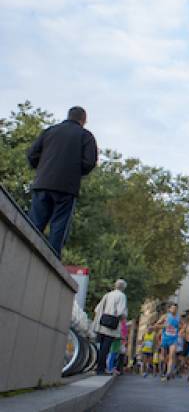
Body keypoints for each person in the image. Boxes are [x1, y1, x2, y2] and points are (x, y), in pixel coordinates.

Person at [26, 106, 98, 258]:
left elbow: (32, 154)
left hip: (43, 183)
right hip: (66, 187)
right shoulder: (85, 136)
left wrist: (42, 168)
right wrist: (75, 172)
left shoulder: (50, 131)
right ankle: (52, 258)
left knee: (35, 223)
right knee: (59, 225)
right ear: (83, 120)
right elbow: (90, 162)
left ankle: (26, 252)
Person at [91, 279, 128, 375]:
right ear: (123, 287)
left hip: (102, 323)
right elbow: (121, 312)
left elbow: (97, 309)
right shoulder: (122, 296)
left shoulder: (108, 295)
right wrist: (123, 317)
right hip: (112, 325)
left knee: (100, 346)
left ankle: (97, 366)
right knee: (106, 347)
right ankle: (101, 369)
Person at [156, 303, 181, 380]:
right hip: (165, 338)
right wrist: (164, 326)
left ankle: (168, 373)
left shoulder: (178, 318)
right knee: (163, 357)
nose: (174, 310)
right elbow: (157, 324)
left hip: (174, 339)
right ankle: (162, 370)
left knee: (171, 355)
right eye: (173, 308)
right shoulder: (165, 316)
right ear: (169, 309)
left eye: (176, 308)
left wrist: (182, 330)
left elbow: (184, 325)